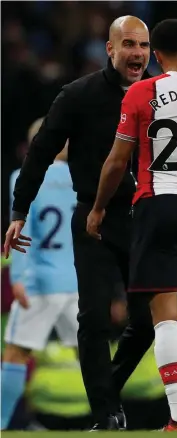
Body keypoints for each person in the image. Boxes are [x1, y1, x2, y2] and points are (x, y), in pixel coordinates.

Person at [4, 16, 150, 431]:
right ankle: (107, 414)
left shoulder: (159, 94)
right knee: (93, 320)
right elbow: (40, 151)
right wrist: (18, 211)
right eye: (128, 44)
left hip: (143, 219)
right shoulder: (78, 95)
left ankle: (108, 393)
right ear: (110, 49)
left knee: (147, 320)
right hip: (92, 220)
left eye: (143, 45)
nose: (137, 53)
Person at [87, 18, 177, 431]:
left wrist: (98, 208)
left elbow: (117, 161)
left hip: (157, 202)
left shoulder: (142, 91)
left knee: (164, 317)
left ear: (156, 55)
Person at [1, 118, 78, 430]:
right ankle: (112, 418)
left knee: (16, 354)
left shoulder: (23, 176)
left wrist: (17, 277)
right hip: (79, 282)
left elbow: (20, 231)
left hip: (39, 282)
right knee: (92, 358)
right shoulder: (88, 178)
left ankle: (3, 423)